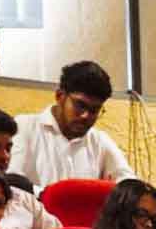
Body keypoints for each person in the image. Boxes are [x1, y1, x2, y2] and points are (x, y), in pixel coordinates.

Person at [13, 60, 130, 189]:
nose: (85, 116)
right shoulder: (25, 127)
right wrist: (45, 195)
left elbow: (128, 183)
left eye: (94, 110)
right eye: (80, 105)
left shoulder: (99, 141)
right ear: (60, 96)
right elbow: (11, 179)